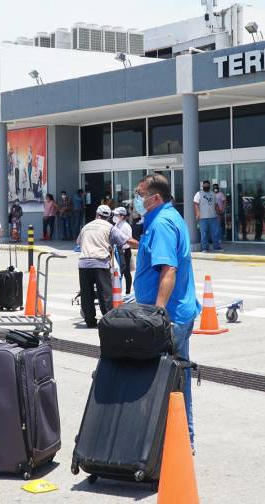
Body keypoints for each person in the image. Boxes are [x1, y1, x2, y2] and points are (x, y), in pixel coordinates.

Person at [133, 174, 200, 450]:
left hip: (169, 317)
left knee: (169, 377)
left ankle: (179, 440)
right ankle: (180, 438)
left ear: (155, 197)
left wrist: (158, 314)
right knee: (176, 374)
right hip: (177, 313)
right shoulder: (169, 218)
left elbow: (168, 269)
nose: (137, 199)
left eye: (140, 194)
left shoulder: (161, 223)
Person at [76, 204, 129, 327]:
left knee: (86, 293)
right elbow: (124, 240)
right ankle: (107, 321)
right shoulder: (109, 227)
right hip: (100, 263)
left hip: (84, 263)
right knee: (105, 293)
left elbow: (78, 242)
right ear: (108, 216)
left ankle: (90, 321)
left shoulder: (86, 227)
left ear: (96, 214)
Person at [193, 180, 221, 252]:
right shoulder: (199, 194)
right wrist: (197, 213)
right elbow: (195, 204)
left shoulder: (213, 194)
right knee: (204, 234)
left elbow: (216, 204)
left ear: (209, 186)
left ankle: (216, 247)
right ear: (202, 186)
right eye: (204, 186)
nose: (206, 187)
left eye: (207, 186)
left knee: (215, 233)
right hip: (203, 218)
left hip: (213, 217)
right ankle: (204, 248)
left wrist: (218, 214)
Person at [112, 207, 134, 294]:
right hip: (117, 251)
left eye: (116, 215)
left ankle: (128, 292)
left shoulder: (126, 226)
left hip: (124, 251)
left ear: (122, 216)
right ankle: (118, 291)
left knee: (126, 272)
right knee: (118, 272)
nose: (114, 216)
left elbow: (128, 240)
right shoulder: (117, 224)